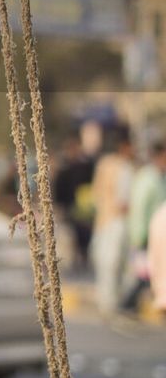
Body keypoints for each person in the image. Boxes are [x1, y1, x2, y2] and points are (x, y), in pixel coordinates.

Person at [90, 127, 134, 318]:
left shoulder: (123, 166)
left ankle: (113, 301)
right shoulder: (114, 165)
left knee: (116, 263)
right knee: (110, 261)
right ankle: (108, 302)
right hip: (112, 220)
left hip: (115, 221)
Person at [120, 140, 166, 314]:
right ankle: (126, 305)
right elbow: (139, 208)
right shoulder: (148, 178)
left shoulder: (161, 177)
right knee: (143, 272)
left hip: (159, 235)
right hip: (146, 234)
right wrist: (139, 236)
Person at [53, 134, 96, 270]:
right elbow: (59, 189)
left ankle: (84, 257)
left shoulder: (86, 166)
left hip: (84, 207)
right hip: (70, 207)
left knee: (84, 234)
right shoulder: (64, 169)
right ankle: (78, 258)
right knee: (74, 235)